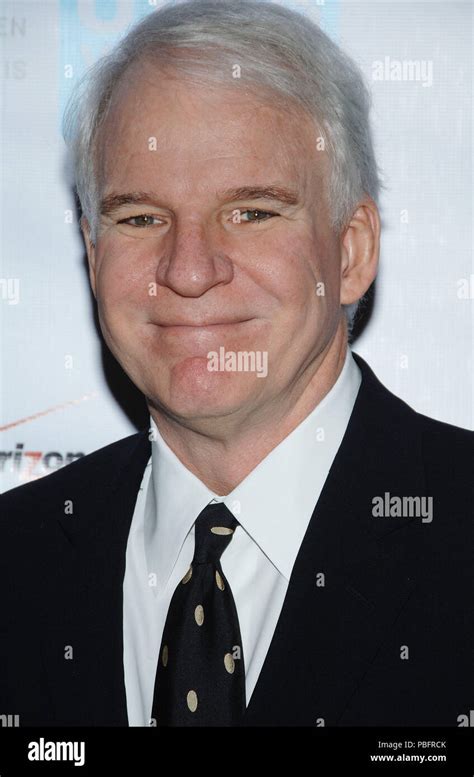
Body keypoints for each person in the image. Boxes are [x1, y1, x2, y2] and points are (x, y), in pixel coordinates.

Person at [0, 0, 472, 727]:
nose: (189, 270)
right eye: (140, 217)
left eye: (251, 211)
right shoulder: (15, 558)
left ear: (350, 253)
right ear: (94, 258)